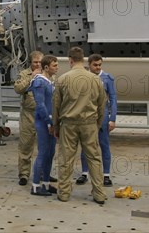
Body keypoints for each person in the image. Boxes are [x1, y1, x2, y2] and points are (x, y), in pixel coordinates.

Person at [52, 47, 107, 204]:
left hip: (68, 125)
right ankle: (99, 194)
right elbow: (102, 104)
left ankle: (63, 193)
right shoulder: (95, 79)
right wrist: (97, 123)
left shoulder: (62, 79)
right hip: (89, 124)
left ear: (70, 60)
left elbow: (56, 105)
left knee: (66, 159)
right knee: (94, 159)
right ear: (83, 60)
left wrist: (56, 126)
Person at [76, 54, 118, 187]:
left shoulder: (107, 78)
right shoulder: (84, 77)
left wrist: (113, 118)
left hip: (103, 117)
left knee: (104, 145)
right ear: (89, 65)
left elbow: (113, 98)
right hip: (87, 117)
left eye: (100, 65)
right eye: (95, 65)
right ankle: (84, 173)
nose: (98, 67)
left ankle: (106, 175)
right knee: (86, 146)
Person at [29, 55, 58, 196]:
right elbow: (40, 105)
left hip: (51, 122)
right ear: (46, 67)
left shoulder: (49, 81)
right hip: (43, 122)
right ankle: (35, 185)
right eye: (54, 65)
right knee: (43, 153)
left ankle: (46, 183)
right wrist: (48, 123)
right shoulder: (39, 82)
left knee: (50, 153)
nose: (57, 67)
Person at [13, 50, 43, 186]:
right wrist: (32, 77)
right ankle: (24, 174)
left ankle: (44, 172)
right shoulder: (24, 74)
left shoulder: (47, 74)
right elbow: (18, 88)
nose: (38, 65)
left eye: (40, 62)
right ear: (31, 62)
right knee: (25, 145)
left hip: (44, 114)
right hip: (29, 114)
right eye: (35, 62)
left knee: (45, 147)